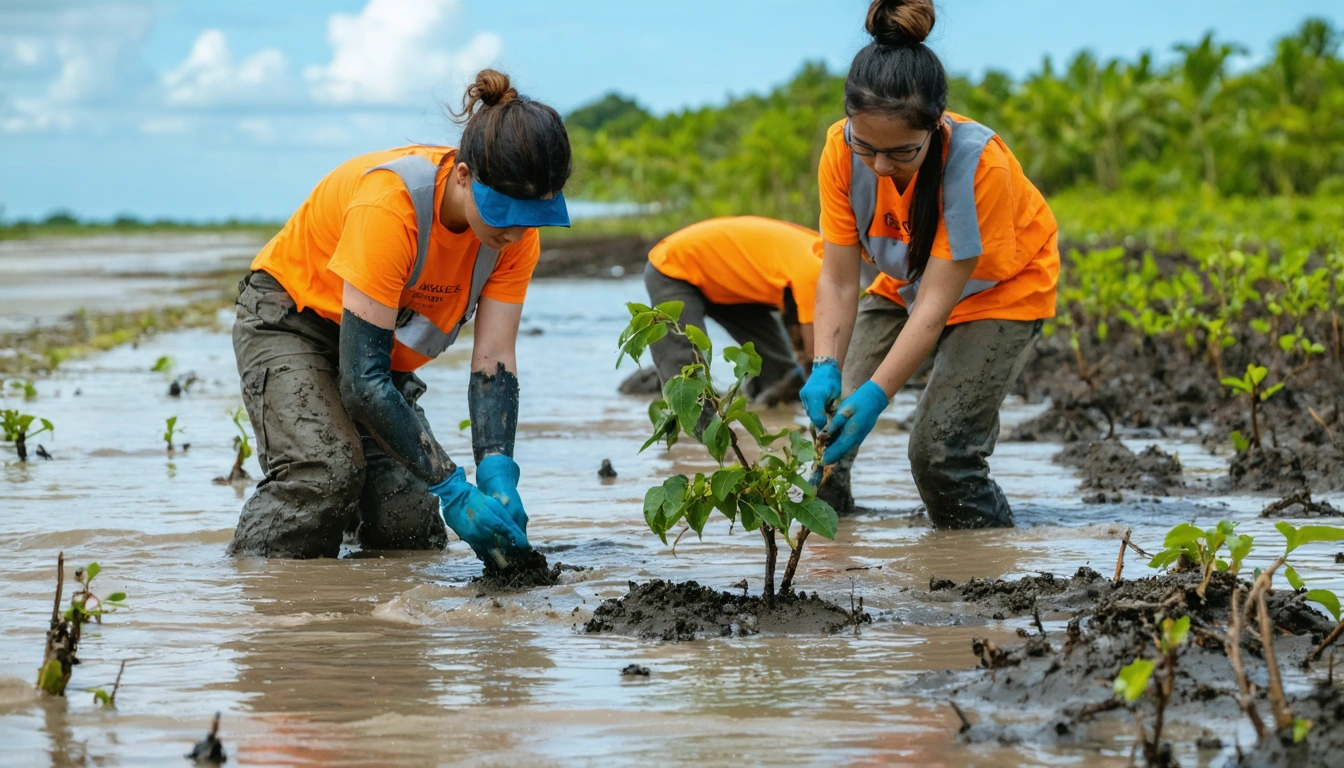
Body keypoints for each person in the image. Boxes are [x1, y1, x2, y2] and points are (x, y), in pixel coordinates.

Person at [228, 69, 571, 562]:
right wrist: (452, 487)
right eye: (505, 213)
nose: (516, 234)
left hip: (379, 346)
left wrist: (497, 471)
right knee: (324, 473)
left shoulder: (514, 238)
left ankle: (360, 596)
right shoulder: (392, 207)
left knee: (406, 520)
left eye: (531, 217)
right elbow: (361, 381)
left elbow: (494, 358)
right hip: (294, 319)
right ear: (464, 176)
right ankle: (255, 585)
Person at [801, 0, 1059, 527]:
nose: (879, 165)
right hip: (908, 284)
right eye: (865, 146)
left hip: (1000, 291)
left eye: (901, 153)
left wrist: (876, 396)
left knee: (939, 453)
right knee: (829, 424)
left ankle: (984, 558)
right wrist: (825, 363)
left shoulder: (978, 166)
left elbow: (935, 308)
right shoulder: (839, 152)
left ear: (935, 128)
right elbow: (839, 279)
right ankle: (827, 549)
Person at [641, 216, 824, 406]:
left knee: (780, 375)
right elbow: (817, 356)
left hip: (734, 283)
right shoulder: (814, 269)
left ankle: (769, 419)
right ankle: (652, 390)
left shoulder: (821, 252)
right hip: (676, 267)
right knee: (686, 374)